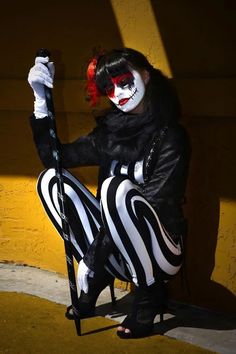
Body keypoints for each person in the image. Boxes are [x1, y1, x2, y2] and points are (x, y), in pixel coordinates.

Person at [28, 47, 190, 338]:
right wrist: (41, 100)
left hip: (161, 252)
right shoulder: (109, 133)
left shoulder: (171, 136)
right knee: (52, 180)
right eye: (108, 88)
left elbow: (158, 203)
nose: (118, 93)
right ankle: (100, 276)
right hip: (115, 252)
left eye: (125, 82)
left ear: (146, 75)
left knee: (116, 189)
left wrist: (93, 256)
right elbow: (55, 157)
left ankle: (148, 295)